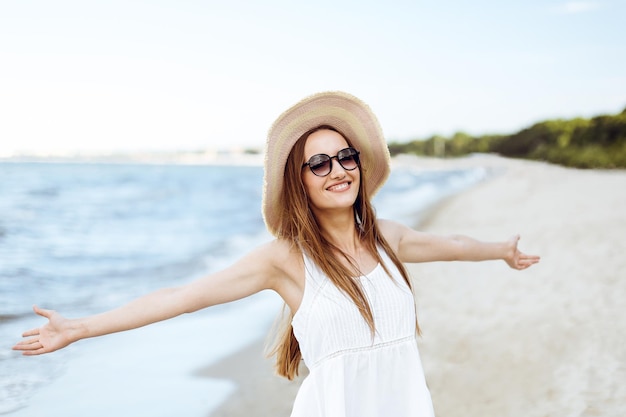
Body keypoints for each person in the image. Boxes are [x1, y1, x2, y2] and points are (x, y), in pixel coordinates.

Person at [13, 91, 540, 416]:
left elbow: (453, 245)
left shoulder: (389, 238)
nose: (338, 170)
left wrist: (500, 251)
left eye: (345, 156)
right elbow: (183, 296)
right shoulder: (284, 259)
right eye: (319, 164)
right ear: (299, 181)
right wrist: (80, 328)